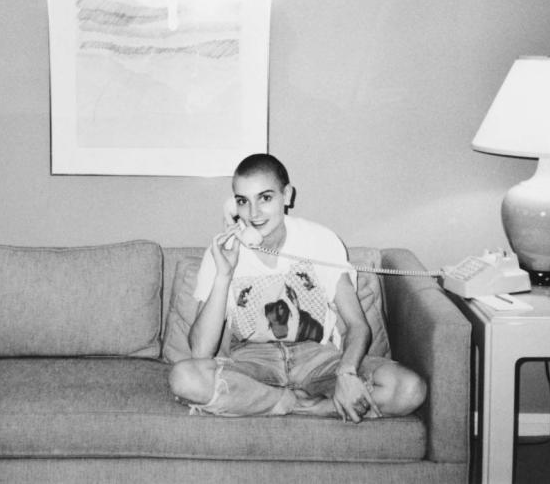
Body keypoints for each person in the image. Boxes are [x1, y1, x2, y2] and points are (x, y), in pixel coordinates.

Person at [169, 153, 427, 421]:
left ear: (287, 195)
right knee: (184, 378)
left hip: (318, 360)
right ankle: (296, 404)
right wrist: (224, 275)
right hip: (252, 365)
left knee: (409, 389)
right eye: (243, 201)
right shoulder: (223, 252)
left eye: (265, 198)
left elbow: (358, 325)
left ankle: (287, 405)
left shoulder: (320, 240)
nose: (254, 213)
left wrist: (346, 373)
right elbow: (200, 352)